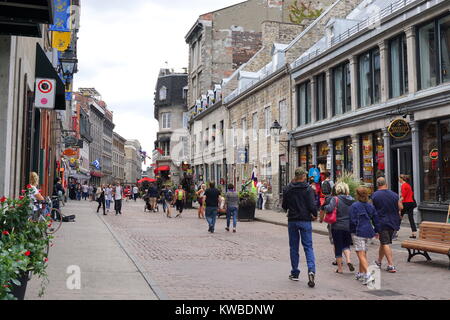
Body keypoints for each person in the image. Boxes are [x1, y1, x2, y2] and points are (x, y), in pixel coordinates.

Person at [282, 167, 317, 288]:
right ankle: (311, 270)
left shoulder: (287, 189)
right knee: (308, 247)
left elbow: (284, 205)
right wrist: (315, 215)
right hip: (305, 220)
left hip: (292, 220)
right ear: (302, 177)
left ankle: (295, 272)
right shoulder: (308, 189)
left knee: (293, 247)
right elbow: (312, 206)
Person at [322, 182, 355, 274]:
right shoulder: (352, 200)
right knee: (346, 245)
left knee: (338, 247)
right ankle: (348, 260)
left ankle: (340, 269)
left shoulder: (335, 199)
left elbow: (329, 209)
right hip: (348, 226)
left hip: (337, 226)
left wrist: (325, 206)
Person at [349, 187, 380, 284]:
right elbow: (376, 219)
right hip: (369, 232)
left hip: (359, 232)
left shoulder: (354, 206)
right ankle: (361, 273)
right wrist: (376, 231)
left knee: (360, 254)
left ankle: (368, 275)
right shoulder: (370, 206)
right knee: (363, 253)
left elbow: (352, 221)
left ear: (357, 195)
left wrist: (351, 231)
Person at [371, 177, 402, 273]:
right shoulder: (394, 195)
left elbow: (372, 210)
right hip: (393, 222)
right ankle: (379, 262)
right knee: (384, 242)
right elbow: (400, 207)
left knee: (385, 243)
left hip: (381, 222)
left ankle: (391, 264)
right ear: (386, 184)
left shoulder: (375, 195)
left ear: (377, 184)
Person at [399, 174, 417, 239]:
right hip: (411, 203)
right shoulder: (408, 185)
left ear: (401, 179)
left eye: (399, 178)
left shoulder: (403, 186)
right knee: (411, 218)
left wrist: (398, 201)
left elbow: (403, 196)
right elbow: (411, 194)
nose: (398, 180)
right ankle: (414, 233)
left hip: (406, 203)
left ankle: (394, 232)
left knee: (399, 216)